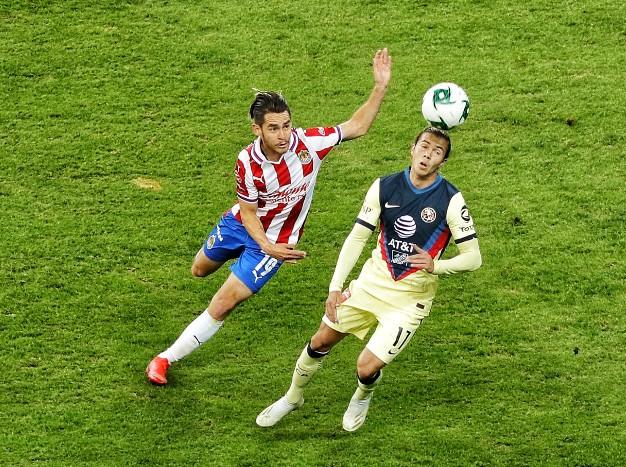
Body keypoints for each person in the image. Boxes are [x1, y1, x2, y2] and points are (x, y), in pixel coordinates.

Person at [145, 48, 392, 385]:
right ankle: (236, 256)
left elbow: (357, 126)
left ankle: (163, 360)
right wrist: (265, 243)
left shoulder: (309, 146)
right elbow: (248, 212)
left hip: (276, 242)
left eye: (287, 125)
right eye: (274, 128)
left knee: (224, 302)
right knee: (199, 269)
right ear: (256, 129)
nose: (284, 135)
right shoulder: (246, 162)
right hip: (242, 225)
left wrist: (380, 86)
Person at [256, 127, 482, 431]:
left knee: (366, 367)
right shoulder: (384, 187)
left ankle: (363, 394)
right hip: (370, 285)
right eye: (424, 146)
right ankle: (292, 396)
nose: (428, 154)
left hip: (409, 301)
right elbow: (357, 237)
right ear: (411, 149)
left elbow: (473, 258)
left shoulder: (451, 200)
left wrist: (435, 266)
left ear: (442, 161)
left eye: (437, 151)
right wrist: (335, 288)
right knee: (320, 340)